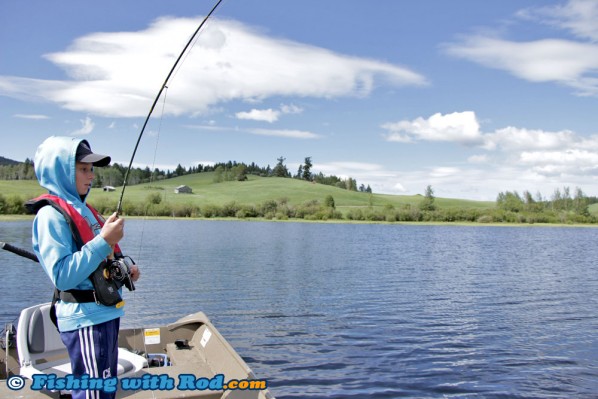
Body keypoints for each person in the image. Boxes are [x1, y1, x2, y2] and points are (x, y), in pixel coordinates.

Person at [30, 136, 140, 399]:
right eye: (82, 169)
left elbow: (99, 259)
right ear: (61, 171)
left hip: (105, 315)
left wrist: (126, 268)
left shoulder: (85, 210)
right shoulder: (50, 216)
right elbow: (63, 276)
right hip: (86, 321)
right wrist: (104, 240)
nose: (91, 176)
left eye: (91, 169)